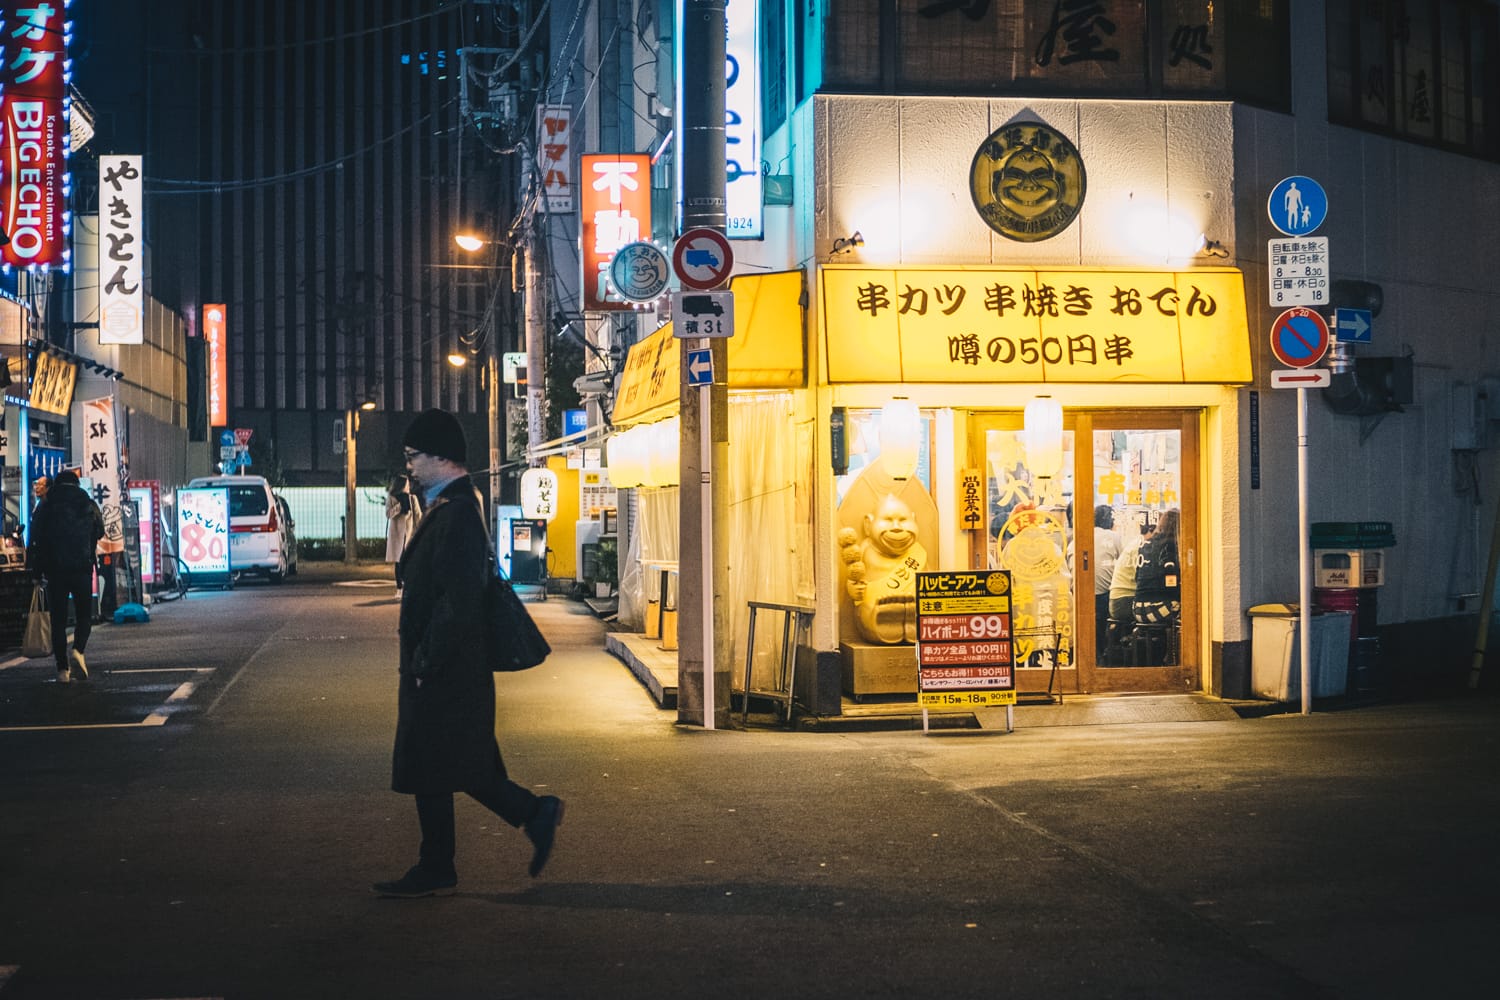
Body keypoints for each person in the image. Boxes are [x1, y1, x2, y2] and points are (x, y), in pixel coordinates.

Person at [373, 408, 564, 898]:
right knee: (451, 763)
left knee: (442, 762)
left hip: (445, 667)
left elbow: (458, 601)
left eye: (414, 456)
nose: (409, 466)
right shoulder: (451, 505)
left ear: (442, 457)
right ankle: (451, 856)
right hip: (449, 665)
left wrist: (425, 662)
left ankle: (454, 856)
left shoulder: (456, 512)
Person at [26, 470, 105, 684]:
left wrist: (36, 572)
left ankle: (62, 670)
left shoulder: (46, 505)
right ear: (77, 484)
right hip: (82, 569)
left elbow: (36, 539)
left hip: (55, 571)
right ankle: (78, 649)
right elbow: (100, 531)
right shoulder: (88, 503)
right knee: (84, 616)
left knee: (58, 621)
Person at [1132, 509, 1181, 625]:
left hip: (1137, 608)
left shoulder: (1146, 544)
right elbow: (1171, 582)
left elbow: (1137, 577)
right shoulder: (1170, 546)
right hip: (1158, 608)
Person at [1092, 505, 1124, 657]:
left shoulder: (1082, 534)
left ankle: (1098, 652)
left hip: (1082, 592)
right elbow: (1124, 561)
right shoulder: (1113, 536)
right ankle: (1111, 651)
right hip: (1105, 594)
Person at [384, 474, 420, 590]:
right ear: (401, 485)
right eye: (407, 484)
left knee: (408, 560)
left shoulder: (412, 498)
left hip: (410, 534)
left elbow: (418, 516)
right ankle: (399, 588)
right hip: (397, 534)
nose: (408, 486)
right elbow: (388, 514)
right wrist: (399, 506)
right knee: (398, 561)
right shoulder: (391, 498)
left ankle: (407, 586)